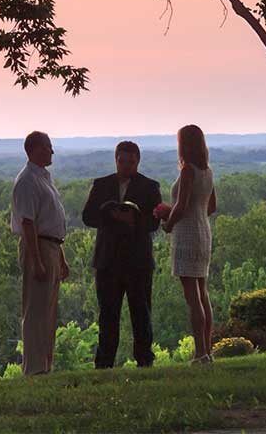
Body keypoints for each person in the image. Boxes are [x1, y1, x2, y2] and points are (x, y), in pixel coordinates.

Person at [81, 140, 162, 368]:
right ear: (115, 160)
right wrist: (110, 215)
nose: (126, 166)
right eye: (122, 161)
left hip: (138, 262)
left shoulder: (149, 187)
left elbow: (154, 223)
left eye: (131, 162)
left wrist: (133, 220)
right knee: (108, 315)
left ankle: (145, 360)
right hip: (108, 261)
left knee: (141, 313)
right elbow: (87, 217)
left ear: (138, 161)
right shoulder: (101, 185)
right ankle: (104, 363)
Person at [10, 130, 68, 375]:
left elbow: (51, 221)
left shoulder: (44, 177)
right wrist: (37, 261)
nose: (52, 151)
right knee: (35, 311)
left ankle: (45, 365)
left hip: (51, 247)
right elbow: (28, 224)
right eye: (47, 147)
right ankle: (34, 369)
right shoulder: (27, 181)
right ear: (34, 149)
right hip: (38, 247)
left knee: (48, 310)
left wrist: (61, 258)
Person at [161, 123, 217, 363]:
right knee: (203, 294)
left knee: (192, 298)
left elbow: (181, 206)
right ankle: (207, 350)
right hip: (204, 231)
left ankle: (200, 352)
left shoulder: (188, 171)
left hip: (187, 234)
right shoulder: (208, 171)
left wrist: (167, 222)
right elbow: (211, 206)